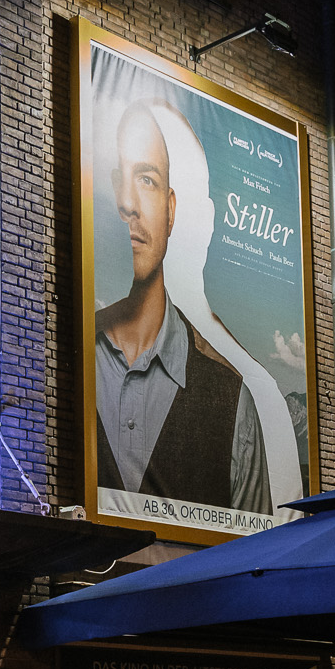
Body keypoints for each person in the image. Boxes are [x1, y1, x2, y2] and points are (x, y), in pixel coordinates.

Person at [94, 100, 268, 514]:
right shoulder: (65, 360)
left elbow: (258, 563)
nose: (129, 203)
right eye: (122, 180)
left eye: (148, 180)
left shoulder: (232, 402)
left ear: (171, 211)